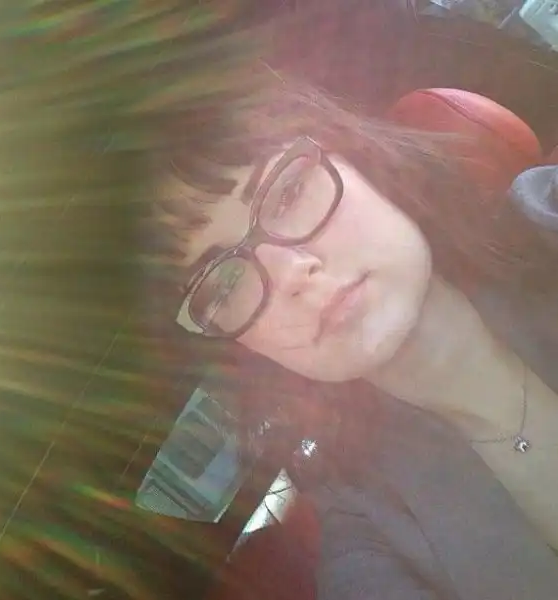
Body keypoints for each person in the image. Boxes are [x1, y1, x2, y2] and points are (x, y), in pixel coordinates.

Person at [146, 66, 558, 598]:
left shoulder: (545, 218)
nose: (290, 273)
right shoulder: (366, 524)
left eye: (288, 192)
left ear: (359, 157)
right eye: (223, 285)